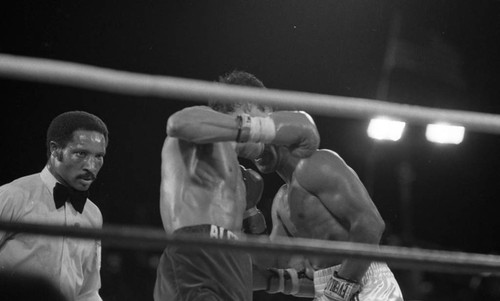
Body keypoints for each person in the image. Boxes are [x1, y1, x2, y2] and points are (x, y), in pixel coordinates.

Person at [154, 70, 320, 301]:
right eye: (266, 117)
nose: (269, 137)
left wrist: (290, 281)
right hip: (197, 252)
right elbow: (177, 124)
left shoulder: (237, 176)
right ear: (249, 104)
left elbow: (245, 259)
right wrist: (255, 128)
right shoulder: (202, 122)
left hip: (232, 263)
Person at [252, 141, 405, 300]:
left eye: (261, 138)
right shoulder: (281, 200)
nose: (257, 149)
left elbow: (371, 225)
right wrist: (250, 213)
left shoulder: (319, 163)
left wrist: (339, 288)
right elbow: (277, 262)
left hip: (364, 282)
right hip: (329, 288)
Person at [0, 111, 108, 301]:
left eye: (98, 156)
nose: (91, 166)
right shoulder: (12, 196)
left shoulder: (93, 214)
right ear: (55, 150)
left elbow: (88, 291)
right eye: (81, 153)